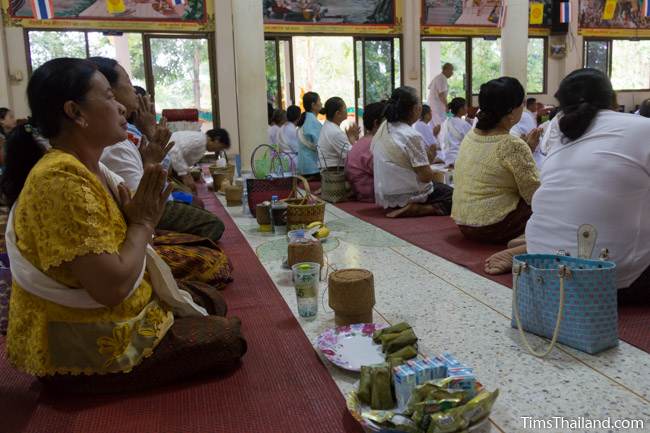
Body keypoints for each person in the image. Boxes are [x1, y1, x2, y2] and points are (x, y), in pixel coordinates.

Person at [0, 58, 246, 394]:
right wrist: (143, 221)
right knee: (228, 339)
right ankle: (76, 383)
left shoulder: (87, 168)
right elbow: (112, 288)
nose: (120, 107)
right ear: (76, 112)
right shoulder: (60, 182)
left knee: (209, 299)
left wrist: (141, 213)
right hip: (81, 339)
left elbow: (128, 232)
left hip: (123, 300)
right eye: (109, 97)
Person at [487, 69, 650, 304]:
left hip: (544, 268)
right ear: (613, 99)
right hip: (613, 280)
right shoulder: (642, 127)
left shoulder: (557, 134)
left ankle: (530, 246)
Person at [89, 57, 226, 243]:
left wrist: (150, 138)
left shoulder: (121, 136)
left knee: (195, 202)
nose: (135, 93)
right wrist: (152, 158)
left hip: (151, 202)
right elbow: (142, 204)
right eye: (128, 83)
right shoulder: (113, 143)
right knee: (211, 224)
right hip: (147, 211)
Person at [451, 77, 541, 244]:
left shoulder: (471, 136)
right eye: (522, 103)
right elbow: (534, 194)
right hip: (494, 225)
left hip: (464, 222)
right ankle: (522, 245)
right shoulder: (512, 144)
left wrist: (526, 149)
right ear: (512, 111)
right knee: (551, 205)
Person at [372, 86, 453, 218]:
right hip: (409, 193)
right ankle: (420, 209)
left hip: (385, 194)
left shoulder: (384, 127)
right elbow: (425, 177)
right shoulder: (410, 135)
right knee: (455, 196)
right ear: (417, 109)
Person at [345, 101, 385, 203]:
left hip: (360, 189)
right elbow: (381, 171)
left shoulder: (365, 140)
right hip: (368, 191)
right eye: (387, 123)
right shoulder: (372, 143)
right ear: (376, 123)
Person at [318, 97, 359, 169]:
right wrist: (352, 139)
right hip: (333, 171)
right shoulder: (335, 132)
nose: (347, 111)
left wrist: (350, 138)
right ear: (338, 113)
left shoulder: (329, 126)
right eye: (345, 109)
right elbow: (352, 156)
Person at [296, 91, 322, 177]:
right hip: (312, 168)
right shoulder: (312, 122)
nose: (321, 103)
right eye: (319, 101)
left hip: (303, 166)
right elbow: (320, 145)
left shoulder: (306, 118)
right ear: (313, 105)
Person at [440, 97, 472, 168]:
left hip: (446, 157)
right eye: (466, 106)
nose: (467, 108)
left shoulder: (446, 121)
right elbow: (472, 140)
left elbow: (448, 115)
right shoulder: (463, 124)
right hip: (458, 157)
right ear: (461, 109)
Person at [427, 63, 454, 127]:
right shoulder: (442, 78)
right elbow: (441, 95)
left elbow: (429, 87)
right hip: (438, 107)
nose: (452, 73)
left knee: (434, 125)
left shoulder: (438, 77)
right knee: (440, 125)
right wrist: (446, 106)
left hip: (433, 105)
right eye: (451, 70)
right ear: (446, 70)